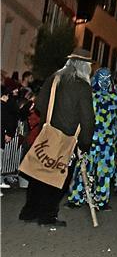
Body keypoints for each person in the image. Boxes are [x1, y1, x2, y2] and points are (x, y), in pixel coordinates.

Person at [18, 51, 95, 227]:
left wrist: (49, 119)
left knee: (38, 174)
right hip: (67, 140)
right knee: (58, 178)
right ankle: (47, 215)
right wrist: (85, 142)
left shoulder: (55, 78)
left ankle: (29, 211)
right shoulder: (83, 86)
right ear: (85, 66)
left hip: (48, 134)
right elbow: (87, 118)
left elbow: (39, 105)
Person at [66, 68, 117, 211]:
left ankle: (101, 201)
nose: (104, 82)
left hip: (107, 143)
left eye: (107, 79)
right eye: (101, 78)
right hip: (88, 141)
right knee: (83, 169)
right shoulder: (89, 97)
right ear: (96, 79)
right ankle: (76, 198)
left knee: (104, 172)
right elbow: (78, 117)